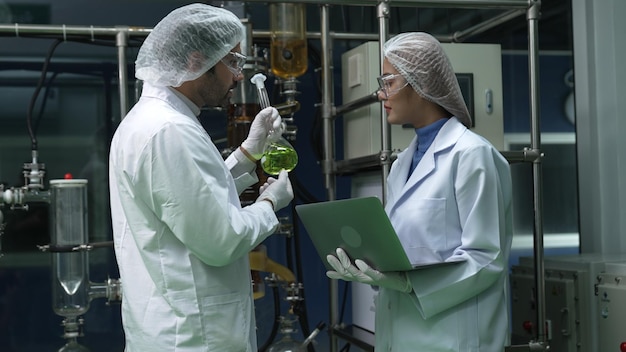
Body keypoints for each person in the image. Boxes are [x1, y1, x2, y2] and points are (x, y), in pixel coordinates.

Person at [108, 4, 294, 351]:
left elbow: (187, 198)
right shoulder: (169, 130)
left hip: (177, 329)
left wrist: (247, 154)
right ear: (196, 61)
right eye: (233, 62)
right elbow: (222, 240)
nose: (239, 76)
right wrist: (270, 203)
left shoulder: (156, 121)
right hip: (192, 338)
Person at [326, 32, 513, 351]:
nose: (381, 94)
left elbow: (486, 258)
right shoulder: (402, 163)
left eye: (389, 82)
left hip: (454, 337)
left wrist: (407, 282)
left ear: (421, 83)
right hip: (402, 332)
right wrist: (370, 266)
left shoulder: (471, 155)